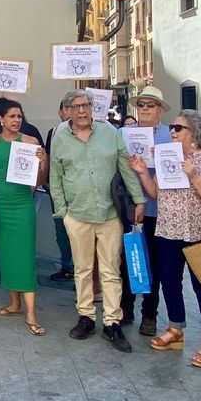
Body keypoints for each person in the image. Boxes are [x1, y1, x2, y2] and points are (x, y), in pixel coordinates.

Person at [131, 111, 201, 369]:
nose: (172, 131)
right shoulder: (167, 158)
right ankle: (175, 328)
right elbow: (155, 193)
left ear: (194, 133)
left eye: (178, 128)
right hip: (168, 231)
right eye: (173, 127)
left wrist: (194, 175)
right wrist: (143, 173)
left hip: (199, 234)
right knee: (169, 282)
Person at [48, 90, 144, 353]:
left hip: (109, 213)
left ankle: (112, 322)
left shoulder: (109, 133)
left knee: (111, 270)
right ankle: (86, 317)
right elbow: (55, 178)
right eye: (76, 106)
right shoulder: (60, 138)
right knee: (82, 269)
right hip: (77, 215)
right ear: (67, 110)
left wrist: (139, 200)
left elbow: (125, 167)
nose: (82, 111)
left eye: (86, 105)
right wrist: (63, 212)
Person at [0, 98, 46, 335]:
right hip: (1, 204)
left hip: (22, 204)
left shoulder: (30, 142)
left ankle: (31, 313)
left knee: (25, 256)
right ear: (1, 119)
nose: (17, 120)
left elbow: (38, 182)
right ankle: (15, 303)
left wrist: (42, 162)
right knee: (7, 255)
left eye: (19, 116)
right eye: (12, 116)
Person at [121, 88, 172, 334]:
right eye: (141, 104)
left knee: (153, 264)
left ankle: (150, 314)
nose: (145, 109)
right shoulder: (124, 133)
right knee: (126, 261)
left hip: (158, 210)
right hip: (129, 207)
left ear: (160, 110)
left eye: (151, 105)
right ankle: (126, 308)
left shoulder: (169, 135)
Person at [44, 98, 77, 283]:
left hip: (77, 191)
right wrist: (47, 182)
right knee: (61, 231)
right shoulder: (54, 132)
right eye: (67, 109)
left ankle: (81, 271)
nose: (70, 112)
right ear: (60, 112)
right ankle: (67, 266)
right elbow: (49, 158)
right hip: (57, 191)